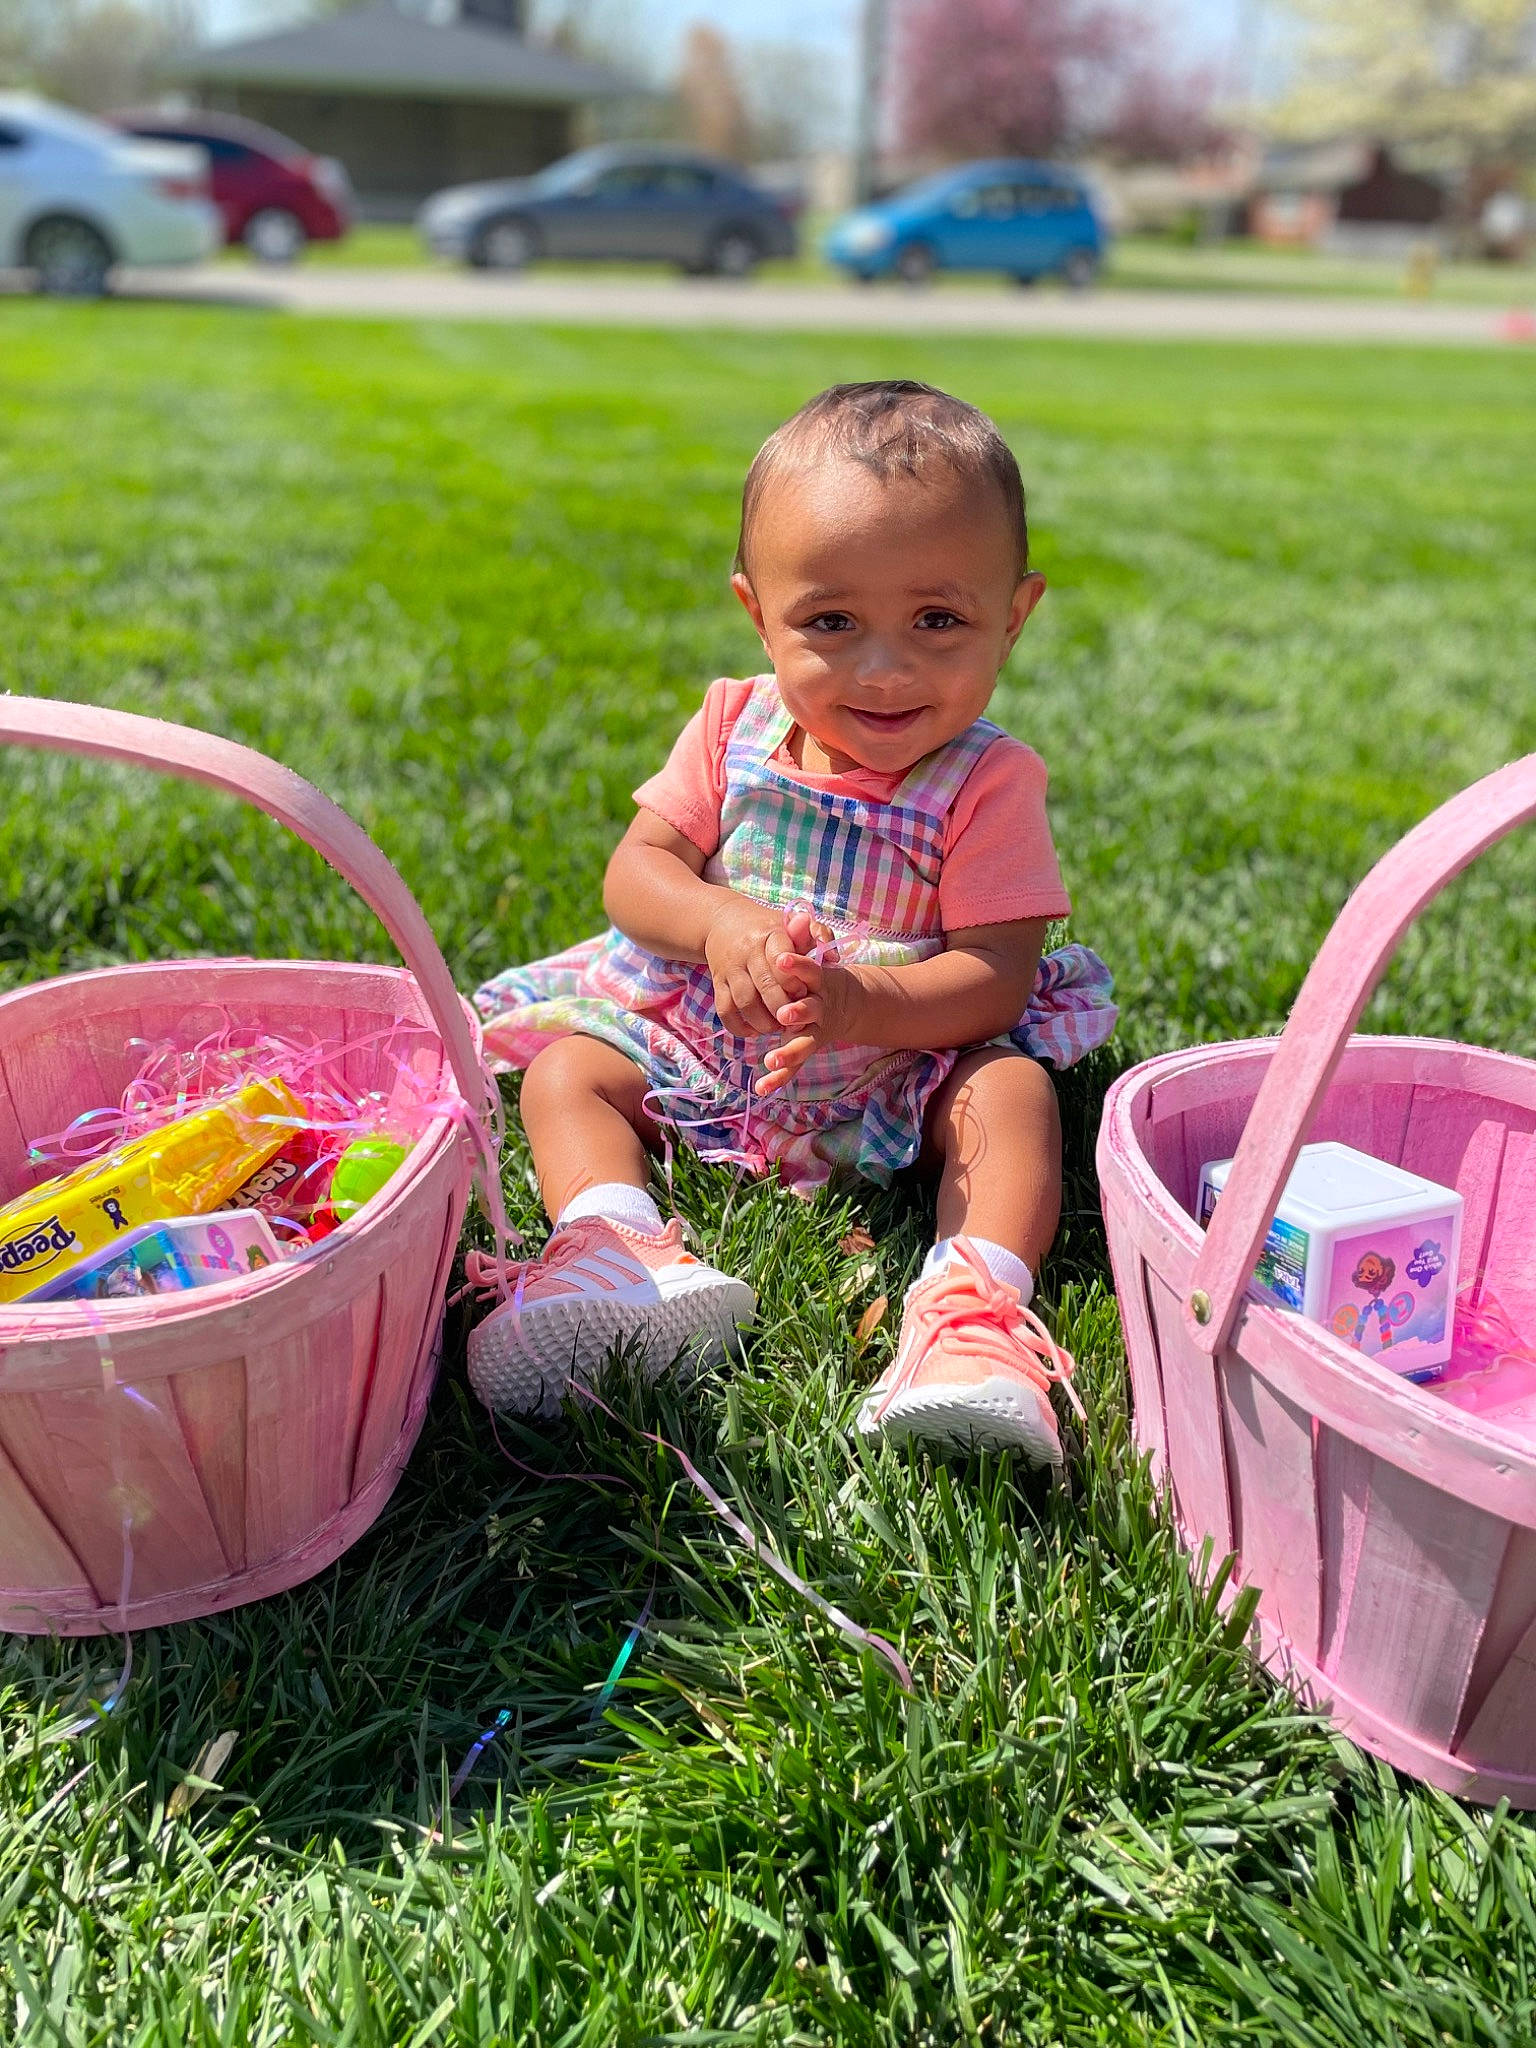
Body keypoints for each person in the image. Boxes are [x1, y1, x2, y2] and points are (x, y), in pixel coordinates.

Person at [470, 380, 1114, 1463]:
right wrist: (718, 917)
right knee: (569, 1072)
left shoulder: (987, 779)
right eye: (830, 621)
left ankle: (971, 1311)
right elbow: (637, 873)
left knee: (1009, 1094)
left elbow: (998, 976)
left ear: (1015, 611)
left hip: (896, 1065)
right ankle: (614, 1245)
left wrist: (866, 1002)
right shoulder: (733, 722)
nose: (885, 665)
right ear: (757, 611)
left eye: (939, 619)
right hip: (706, 1042)